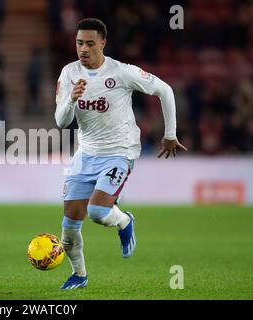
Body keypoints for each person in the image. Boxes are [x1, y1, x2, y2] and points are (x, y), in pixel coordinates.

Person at [55, 18, 187, 290]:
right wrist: (71, 99)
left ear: (103, 43)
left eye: (90, 43)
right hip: (85, 153)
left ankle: (125, 221)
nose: (84, 48)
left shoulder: (122, 72)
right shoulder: (68, 74)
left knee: (97, 211)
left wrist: (170, 133)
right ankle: (79, 276)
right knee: (68, 228)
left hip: (119, 152)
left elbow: (165, 89)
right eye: (80, 42)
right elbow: (61, 121)